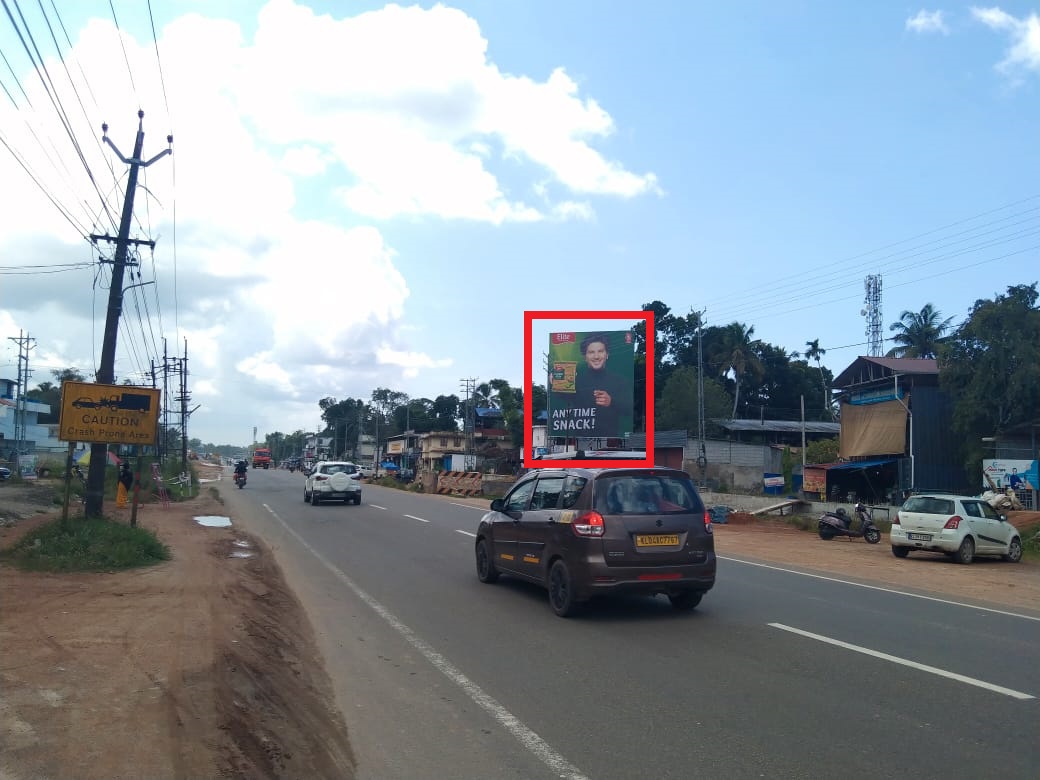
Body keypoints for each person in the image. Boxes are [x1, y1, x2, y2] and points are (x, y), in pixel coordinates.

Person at [573, 333, 633, 437]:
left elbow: (629, 410)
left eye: (600, 351)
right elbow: (562, 397)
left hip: (612, 439)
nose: (596, 356)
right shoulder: (576, 381)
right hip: (580, 440)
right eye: (591, 352)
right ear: (585, 357)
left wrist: (611, 402)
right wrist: (555, 382)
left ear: (607, 354)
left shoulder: (620, 381)